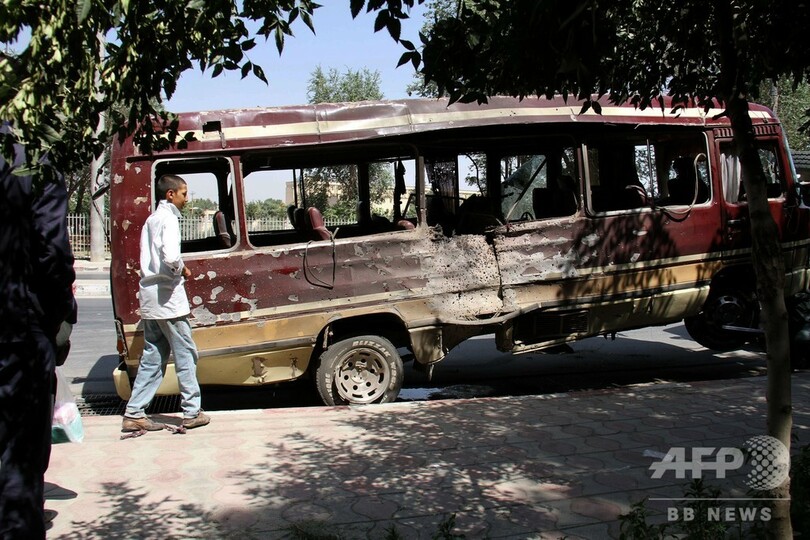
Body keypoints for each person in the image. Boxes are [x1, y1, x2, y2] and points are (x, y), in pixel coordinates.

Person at [0, 126, 77, 539]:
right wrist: (59, 315)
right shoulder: (29, 158)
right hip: (18, 331)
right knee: (20, 461)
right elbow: (52, 251)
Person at [122, 174, 209, 432]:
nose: (186, 199)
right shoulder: (169, 219)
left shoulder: (152, 219)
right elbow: (170, 257)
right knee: (185, 353)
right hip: (168, 297)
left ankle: (134, 412)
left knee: (153, 356)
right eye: (183, 193)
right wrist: (183, 269)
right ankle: (192, 411)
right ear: (170, 194)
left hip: (151, 297)